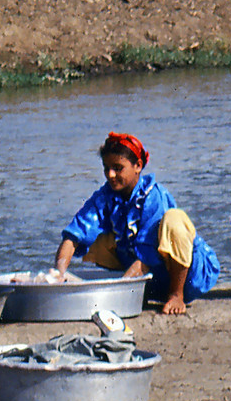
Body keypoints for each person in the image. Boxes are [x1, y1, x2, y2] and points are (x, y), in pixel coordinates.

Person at [54, 132, 219, 315]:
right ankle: (142, 291)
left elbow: (146, 255)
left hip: (187, 276)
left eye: (118, 168)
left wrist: (118, 294)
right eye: (106, 168)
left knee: (174, 220)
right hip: (152, 274)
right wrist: (57, 277)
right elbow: (74, 234)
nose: (110, 175)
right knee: (94, 237)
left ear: (138, 166)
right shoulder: (105, 196)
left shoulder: (154, 196)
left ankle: (176, 295)